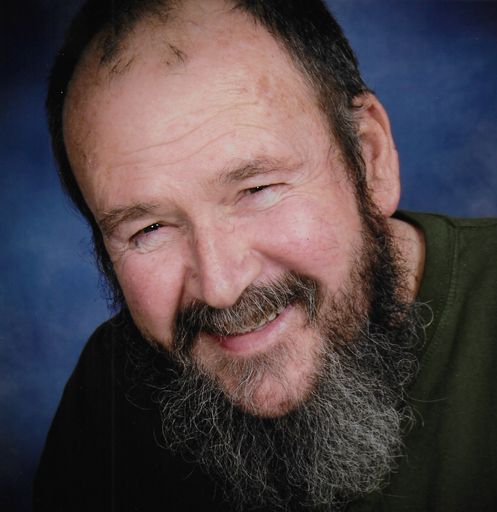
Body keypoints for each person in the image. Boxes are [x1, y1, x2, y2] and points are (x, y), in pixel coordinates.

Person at [34, 0, 497, 510]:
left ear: (370, 158)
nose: (221, 286)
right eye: (149, 229)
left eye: (257, 190)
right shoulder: (109, 392)